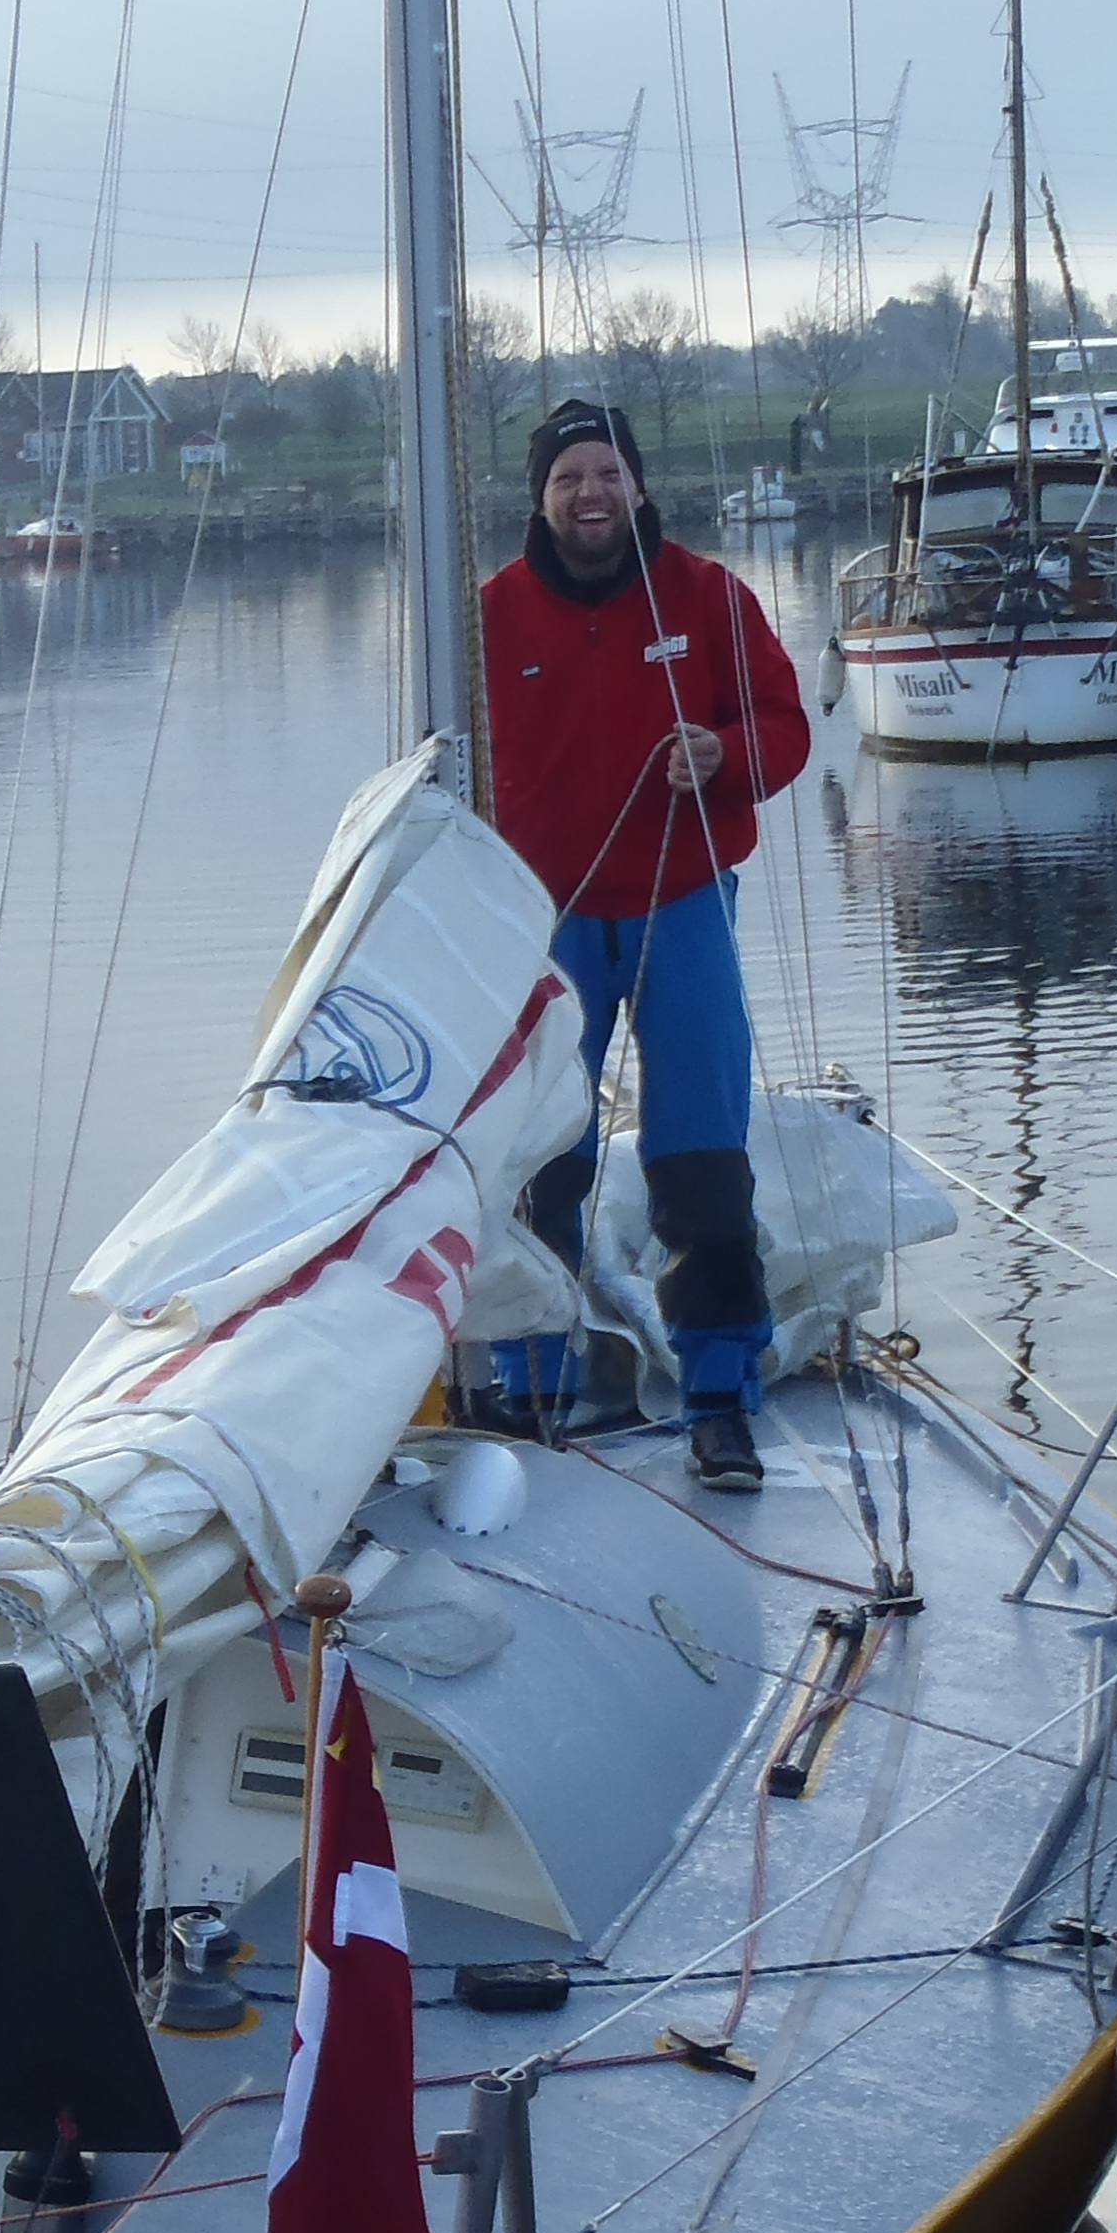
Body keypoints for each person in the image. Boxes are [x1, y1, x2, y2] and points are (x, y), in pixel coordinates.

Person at [477, 397, 813, 1491]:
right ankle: (529, 1387)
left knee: (701, 1161)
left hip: (681, 905)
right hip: (545, 921)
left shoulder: (707, 597)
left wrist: (721, 751)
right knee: (539, 1161)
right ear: (541, 494)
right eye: (570, 475)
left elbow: (787, 727)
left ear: (637, 486)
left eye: (608, 474)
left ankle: (719, 1398)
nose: (590, 494)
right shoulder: (485, 617)